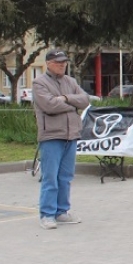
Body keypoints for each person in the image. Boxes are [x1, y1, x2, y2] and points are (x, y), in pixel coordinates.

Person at [32, 49, 91, 230]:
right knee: (50, 177)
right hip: (51, 135)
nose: (62, 65)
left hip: (71, 135)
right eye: (58, 62)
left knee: (65, 176)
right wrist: (72, 106)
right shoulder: (39, 83)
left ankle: (62, 212)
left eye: (64, 62)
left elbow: (85, 100)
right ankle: (47, 214)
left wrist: (65, 98)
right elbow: (49, 105)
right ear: (48, 63)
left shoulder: (70, 81)